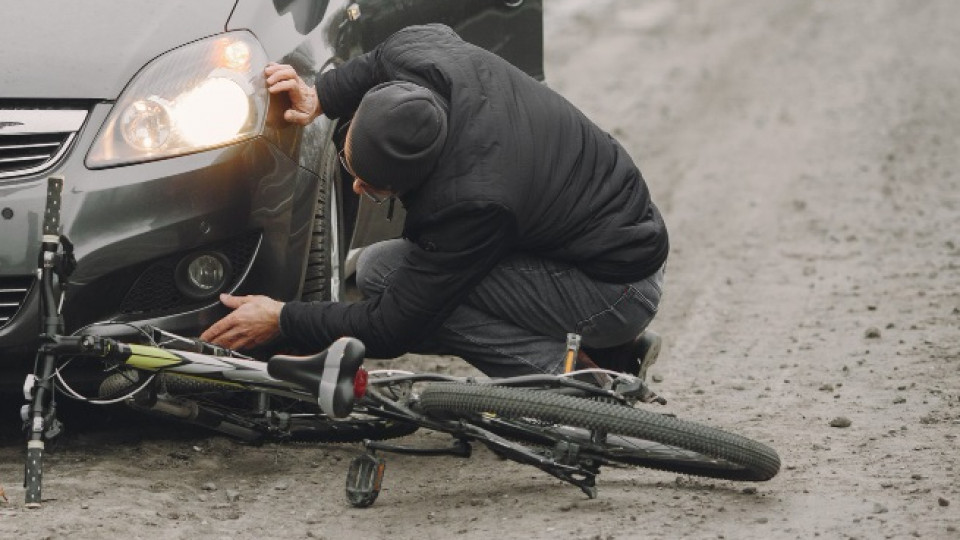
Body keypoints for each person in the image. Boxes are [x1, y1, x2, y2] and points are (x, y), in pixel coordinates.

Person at [200, 24, 669, 379]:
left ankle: (576, 386)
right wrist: (319, 94)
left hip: (617, 288)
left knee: (404, 284)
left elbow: (393, 328)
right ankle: (612, 354)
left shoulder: (471, 203)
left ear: (419, 176)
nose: (358, 189)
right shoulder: (421, 55)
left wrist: (282, 318)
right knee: (380, 268)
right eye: (351, 169)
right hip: (598, 234)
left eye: (373, 186)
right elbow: (378, 62)